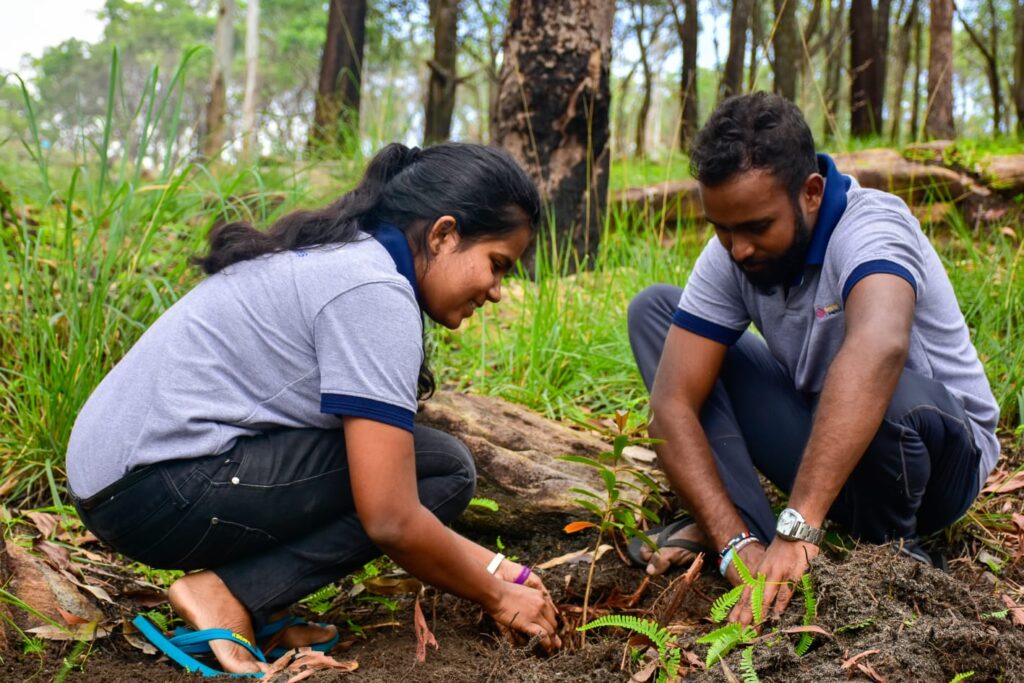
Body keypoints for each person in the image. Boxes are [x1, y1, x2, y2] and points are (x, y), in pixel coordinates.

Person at [66, 142, 562, 675]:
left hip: (127, 485)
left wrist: (498, 566)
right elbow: (391, 516)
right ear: (443, 234)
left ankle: (251, 600)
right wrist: (498, 593)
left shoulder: (346, 258)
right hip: (162, 490)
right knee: (437, 470)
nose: (497, 292)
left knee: (427, 460)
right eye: (497, 265)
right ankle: (226, 593)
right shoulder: (373, 291)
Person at [627, 93, 1000, 626]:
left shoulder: (873, 225)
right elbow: (671, 402)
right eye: (721, 227)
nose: (738, 249)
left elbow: (880, 345)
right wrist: (732, 540)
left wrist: (798, 525)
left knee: (885, 382)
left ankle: (895, 553)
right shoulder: (733, 253)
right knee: (656, 314)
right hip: (830, 452)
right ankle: (749, 548)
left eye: (756, 227)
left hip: (933, 466)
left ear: (810, 193)